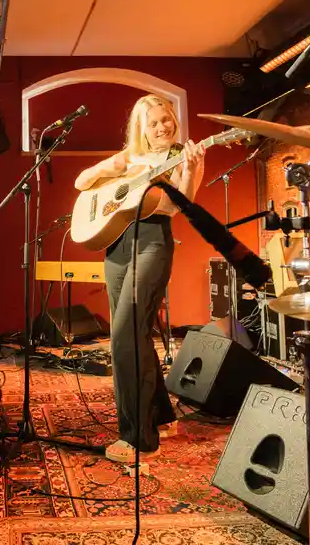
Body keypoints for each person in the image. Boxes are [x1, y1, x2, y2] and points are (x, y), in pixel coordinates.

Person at [74, 94, 204, 463]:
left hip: (152, 240)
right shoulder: (129, 159)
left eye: (167, 120)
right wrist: (111, 168)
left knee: (124, 334)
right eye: (154, 123)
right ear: (141, 128)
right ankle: (160, 415)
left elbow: (182, 204)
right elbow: (82, 183)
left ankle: (136, 438)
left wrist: (191, 169)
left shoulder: (181, 155)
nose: (163, 127)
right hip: (116, 243)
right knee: (136, 333)